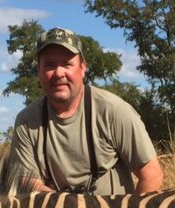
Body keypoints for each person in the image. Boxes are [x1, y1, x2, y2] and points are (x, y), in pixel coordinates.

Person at [9, 27, 164, 195]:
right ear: (38, 71)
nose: (59, 73)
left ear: (83, 67)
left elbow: (152, 175)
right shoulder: (26, 121)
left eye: (67, 64)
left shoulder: (114, 111)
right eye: (49, 65)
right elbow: (28, 183)